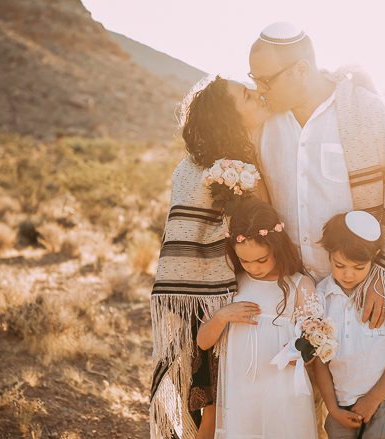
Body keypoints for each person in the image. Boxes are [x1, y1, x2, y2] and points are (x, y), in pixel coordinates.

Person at [248, 22, 385, 438]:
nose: (259, 89)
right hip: (290, 289)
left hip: (354, 284)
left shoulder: (364, 114)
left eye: (265, 79)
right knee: (289, 412)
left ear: (299, 70)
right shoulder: (261, 124)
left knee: (361, 408)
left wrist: (379, 278)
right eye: (253, 80)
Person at [149, 76, 270, 439]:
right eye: (248, 97)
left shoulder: (197, 162)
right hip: (209, 297)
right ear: (229, 119)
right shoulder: (224, 169)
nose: (258, 97)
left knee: (216, 404)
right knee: (213, 408)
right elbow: (264, 216)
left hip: (208, 294)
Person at [197, 197, 318, 439]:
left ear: (277, 247)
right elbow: (203, 342)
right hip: (241, 390)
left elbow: (315, 341)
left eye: (261, 260)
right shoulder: (234, 283)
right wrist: (222, 316)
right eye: (245, 260)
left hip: (282, 390)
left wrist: (301, 353)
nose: (253, 268)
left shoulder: (299, 285)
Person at [313, 211, 385, 438]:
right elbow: (320, 361)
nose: (348, 275)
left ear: (374, 257)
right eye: (340, 265)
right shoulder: (320, 295)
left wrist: (372, 399)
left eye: (358, 267)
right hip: (342, 405)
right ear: (329, 255)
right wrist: (333, 408)